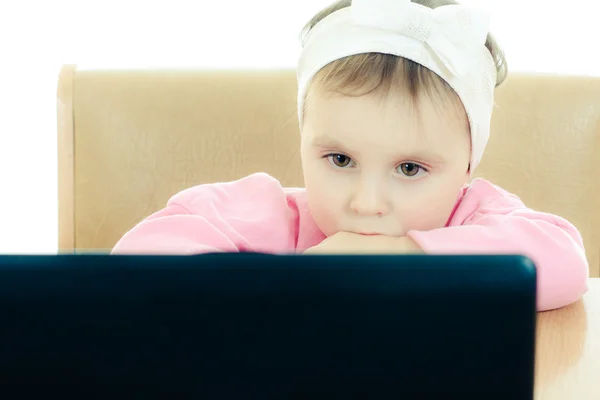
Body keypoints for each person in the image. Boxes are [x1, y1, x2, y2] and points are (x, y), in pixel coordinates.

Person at [112, 0, 589, 311]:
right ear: (304, 139)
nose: (366, 203)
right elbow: (134, 270)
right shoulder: (262, 214)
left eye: (409, 168)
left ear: (468, 165)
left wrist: (399, 255)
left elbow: (564, 261)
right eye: (340, 160)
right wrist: (291, 280)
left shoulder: (474, 218)